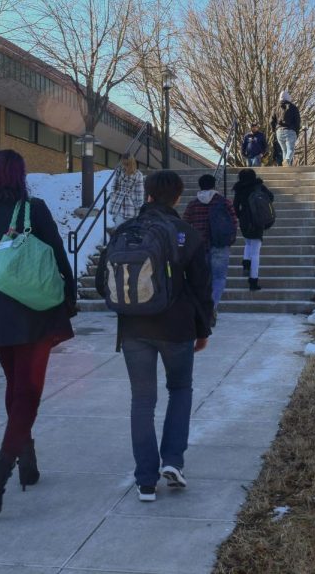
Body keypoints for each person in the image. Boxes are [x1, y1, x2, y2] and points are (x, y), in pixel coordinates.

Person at [0, 150, 77, 517]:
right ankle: (0, 468)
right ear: (20, 175)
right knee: (28, 393)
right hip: (35, 310)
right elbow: (58, 255)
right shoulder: (36, 209)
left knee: (16, 387)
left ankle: (26, 460)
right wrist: (70, 292)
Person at [96, 170, 213, 503]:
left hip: (134, 329)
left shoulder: (123, 231)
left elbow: (103, 285)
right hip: (177, 328)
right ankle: (173, 461)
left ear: (147, 195)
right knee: (180, 389)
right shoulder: (186, 234)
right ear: (177, 197)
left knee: (142, 401)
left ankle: (145, 480)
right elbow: (202, 288)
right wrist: (203, 329)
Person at [182, 173, 238, 310]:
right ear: (214, 185)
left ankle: (203, 308)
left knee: (203, 279)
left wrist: (183, 245)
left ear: (200, 186)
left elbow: (184, 225)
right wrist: (230, 239)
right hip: (220, 244)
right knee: (219, 278)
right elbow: (234, 222)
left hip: (200, 247)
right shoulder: (224, 202)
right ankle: (212, 307)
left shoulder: (193, 204)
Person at [232, 168, 274, 292]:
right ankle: (253, 281)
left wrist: (240, 215)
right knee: (256, 252)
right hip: (257, 219)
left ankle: (246, 262)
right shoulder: (259, 186)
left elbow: (235, 206)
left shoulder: (239, 188)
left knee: (248, 241)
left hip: (245, 220)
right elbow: (271, 197)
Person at [107, 154, 145, 228]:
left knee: (128, 229)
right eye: (123, 163)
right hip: (117, 203)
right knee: (118, 228)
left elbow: (139, 193)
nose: (124, 166)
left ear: (131, 163)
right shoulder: (119, 171)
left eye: (127, 164)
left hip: (130, 205)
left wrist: (139, 208)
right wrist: (113, 194)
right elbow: (114, 184)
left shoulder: (138, 175)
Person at [271, 91, 301, 166]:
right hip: (290, 130)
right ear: (288, 98)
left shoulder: (275, 108)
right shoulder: (293, 107)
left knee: (284, 150)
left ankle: (286, 166)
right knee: (290, 149)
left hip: (279, 132)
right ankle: (287, 161)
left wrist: (274, 131)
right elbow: (297, 121)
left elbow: (271, 121)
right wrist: (297, 132)